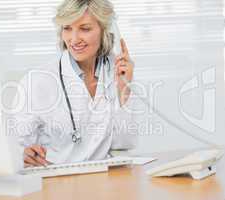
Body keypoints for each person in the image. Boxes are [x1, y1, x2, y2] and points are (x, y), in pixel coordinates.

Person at [12, 0, 136, 167]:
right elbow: (13, 149)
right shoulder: (37, 80)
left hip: (102, 182)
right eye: (67, 28)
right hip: (53, 183)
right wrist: (22, 155)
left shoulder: (116, 72)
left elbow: (124, 144)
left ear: (105, 31)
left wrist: (124, 89)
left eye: (85, 29)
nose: (74, 39)